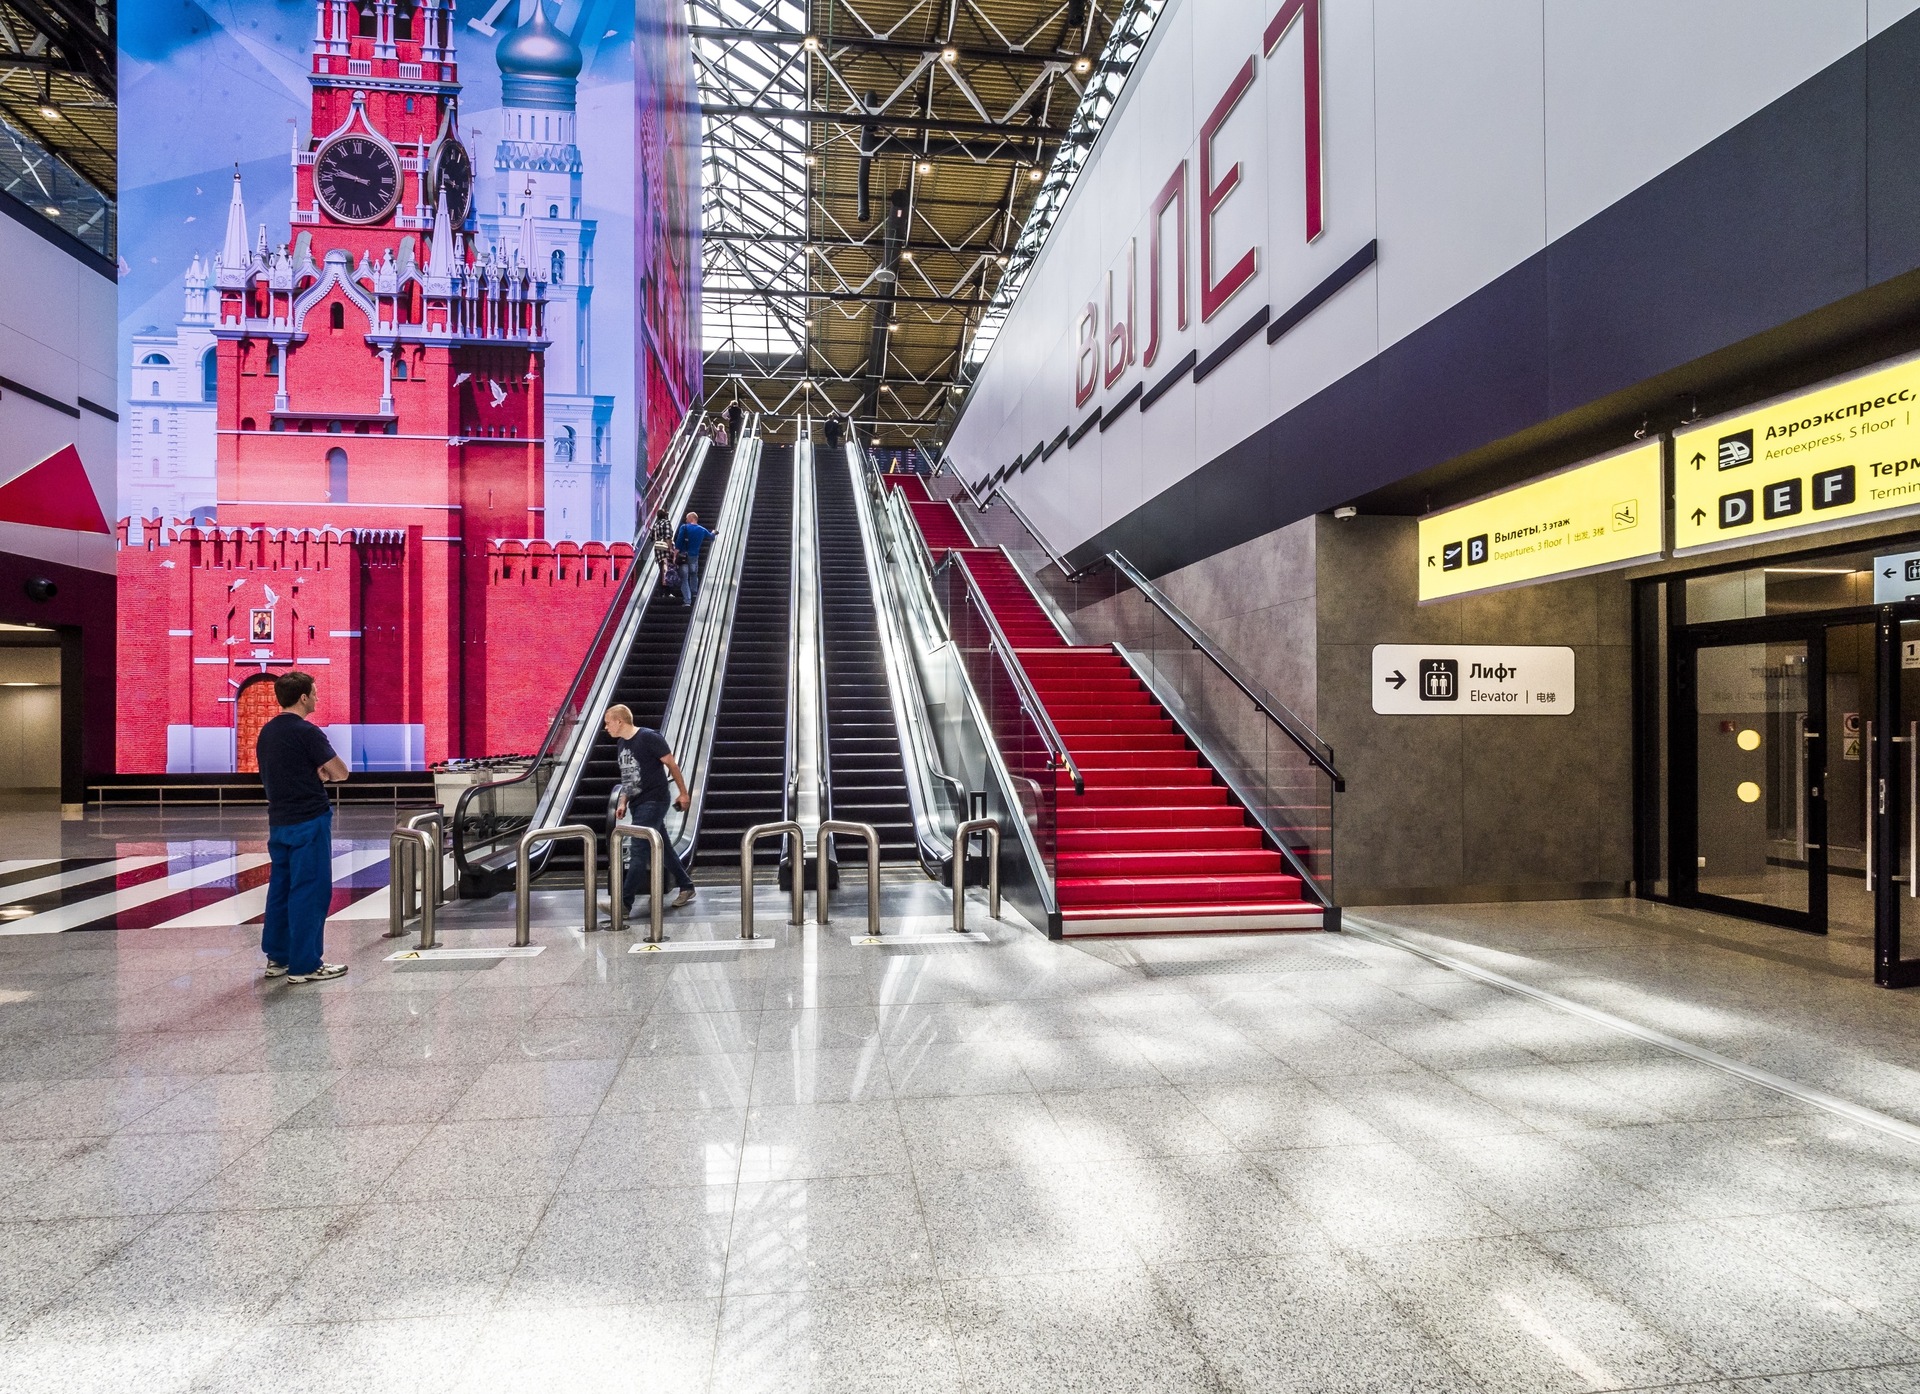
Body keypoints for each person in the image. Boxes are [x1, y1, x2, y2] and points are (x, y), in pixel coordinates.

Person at [256, 671, 350, 983]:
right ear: (303, 698)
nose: (318, 698)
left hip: (279, 822)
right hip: (309, 820)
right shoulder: (307, 732)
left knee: (281, 890)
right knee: (310, 891)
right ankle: (306, 965)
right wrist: (322, 774)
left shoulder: (267, 732)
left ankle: (278, 959)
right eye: (315, 692)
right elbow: (341, 773)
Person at [603, 703, 696, 917]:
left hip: (654, 800)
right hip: (637, 803)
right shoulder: (621, 744)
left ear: (620, 721)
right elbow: (628, 777)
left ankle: (623, 904)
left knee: (638, 850)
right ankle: (686, 885)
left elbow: (672, 765)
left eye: (608, 723)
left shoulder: (649, 737)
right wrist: (623, 801)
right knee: (663, 847)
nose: (606, 727)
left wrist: (683, 793)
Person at [674, 509, 716, 607]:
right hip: (694, 557)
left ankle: (687, 601)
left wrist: (675, 554)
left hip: (683, 557)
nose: (686, 519)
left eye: (687, 518)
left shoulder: (684, 528)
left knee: (684, 578)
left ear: (692, 518)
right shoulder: (702, 529)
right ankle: (694, 594)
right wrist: (713, 532)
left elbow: (679, 541)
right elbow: (711, 537)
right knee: (693, 574)